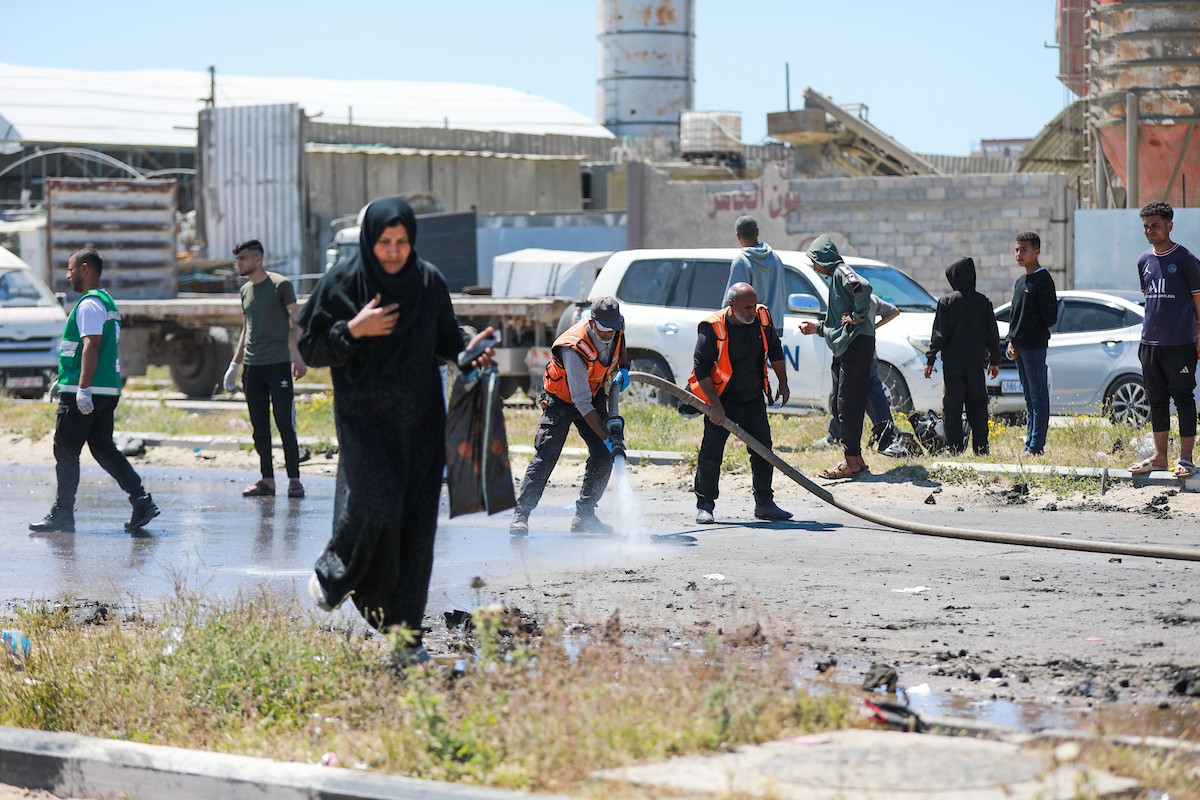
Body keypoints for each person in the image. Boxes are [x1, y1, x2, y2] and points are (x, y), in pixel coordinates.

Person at [298, 197, 495, 649]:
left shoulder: (427, 282)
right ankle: (333, 574)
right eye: (384, 242)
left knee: (415, 532)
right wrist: (353, 330)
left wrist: (469, 350)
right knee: (375, 504)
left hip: (422, 425)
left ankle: (406, 640)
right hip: (364, 422)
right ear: (369, 240)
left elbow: (448, 337)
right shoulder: (343, 282)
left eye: (402, 242)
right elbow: (310, 347)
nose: (393, 251)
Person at [29, 248, 160, 533]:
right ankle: (141, 501)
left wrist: (81, 388)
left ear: (85, 269)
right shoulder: (107, 301)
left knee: (65, 449)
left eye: (71, 268)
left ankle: (62, 514)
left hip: (87, 391)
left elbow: (91, 345)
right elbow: (84, 351)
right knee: (103, 448)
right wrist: (65, 379)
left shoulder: (89, 304)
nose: (68, 275)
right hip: (106, 390)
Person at [509, 296, 630, 537]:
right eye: (604, 330)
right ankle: (521, 515)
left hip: (592, 393)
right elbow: (581, 403)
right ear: (592, 322)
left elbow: (620, 344)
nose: (609, 335)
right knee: (547, 453)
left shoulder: (616, 326)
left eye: (613, 329)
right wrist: (608, 437)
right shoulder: (573, 347)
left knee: (604, 455)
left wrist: (624, 368)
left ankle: (585, 516)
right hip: (561, 400)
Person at [689, 282, 792, 524]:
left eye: (753, 306)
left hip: (752, 397)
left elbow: (776, 351)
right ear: (731, 304)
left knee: (763, 450)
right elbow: (701, 369)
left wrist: (783, 383)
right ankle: (705, 505)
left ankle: (764, 503)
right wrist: (715, 405)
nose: (751, 312)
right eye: (746, 307)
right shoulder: (712, 327)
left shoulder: (762, 318)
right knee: (711, 453)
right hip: (721, 399)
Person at [223, 239, 308, 499]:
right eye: (237, 259)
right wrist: (234, 364)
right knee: (259, 426)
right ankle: (267, 480)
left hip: (278, 364)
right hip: (253, 366)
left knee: (284, 421)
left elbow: (296, 322)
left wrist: (299, 357)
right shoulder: (245, 290)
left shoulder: (280, 285)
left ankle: (294, 480)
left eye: (243, 259)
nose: (239, 263)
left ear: (258, 260)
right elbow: (247, 328)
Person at [1127, 202, 1200, 478]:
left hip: (1179, 344)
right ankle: (1159, 457)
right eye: (1146, 225)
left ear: (1169, 225)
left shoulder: (1186, 259)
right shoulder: (1143, 260)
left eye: (1155, 225)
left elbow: (1197, 298)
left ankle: (1186, 458)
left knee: (1183, 398)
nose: (1149, 230)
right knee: (1156, 400)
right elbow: (1149, 298)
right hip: (1150, 345)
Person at [799, 235, 874, 479]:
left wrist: (858, 316)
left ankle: (850, 461)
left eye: (814, 260)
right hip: (846, 347)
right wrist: (817, 328)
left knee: (848, 403)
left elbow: (862, 286)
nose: (814, 266)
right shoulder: (835, 277)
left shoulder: (842, 271)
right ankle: (856, 459)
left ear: (823, 258)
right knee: (839, 402)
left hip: (856, 346)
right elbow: (836, 324)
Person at [923, 257, 1002, 455]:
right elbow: (992, 333)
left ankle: (955, 448)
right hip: (975, 367)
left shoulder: (947, 301)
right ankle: (981, 448)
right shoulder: (983, 302)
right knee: (978, 407)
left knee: (952, 409)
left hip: (953, 367)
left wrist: (930, 359)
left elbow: (939, 334)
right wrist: (994, 360)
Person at [823, 293, 907, 457]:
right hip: (865, 351)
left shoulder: (848, 298)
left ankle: (887, 437)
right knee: (848, 395)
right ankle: (837, 434)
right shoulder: (870, 297)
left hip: (852, 352)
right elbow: (894, 311)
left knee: (848, 395)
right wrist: (873, 327)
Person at [1006, 231, 1057, 457]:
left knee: (1038, 396)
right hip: (1019, 347)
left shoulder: (1043, 280)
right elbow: (1015, 315)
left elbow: (1050, 317)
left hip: (1035, 347)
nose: (1019, 254)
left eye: (1024, 250)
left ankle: (1037, 446)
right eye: (1017, 249)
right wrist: (1011, 341)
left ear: (1036, 251)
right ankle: (1029, 442)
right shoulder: (1020, 281)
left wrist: (1027, 336)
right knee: (1028, 397)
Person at [727, 215, 786, 336]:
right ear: (757, 232)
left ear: (737, 236)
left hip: (750, 330)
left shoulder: (742, 261)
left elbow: (733, 302)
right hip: (774, 328)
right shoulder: (775, 259)